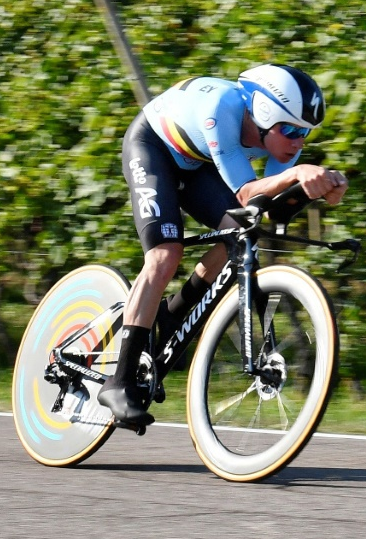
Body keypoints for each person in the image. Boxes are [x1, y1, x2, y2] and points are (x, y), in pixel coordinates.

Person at [98, 63, 348, 426]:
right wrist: (297, 174)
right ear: (263, 116)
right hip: (152, 147)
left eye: (305, 133)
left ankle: (170, 314)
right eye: (291, 129)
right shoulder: (221, 110)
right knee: (165, 254)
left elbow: (267, 209)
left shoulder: (283, 135)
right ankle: (118, 382)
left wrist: (323, 189)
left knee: (238, 229)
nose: (298, 142)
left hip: (198, 163)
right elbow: (247, 190)